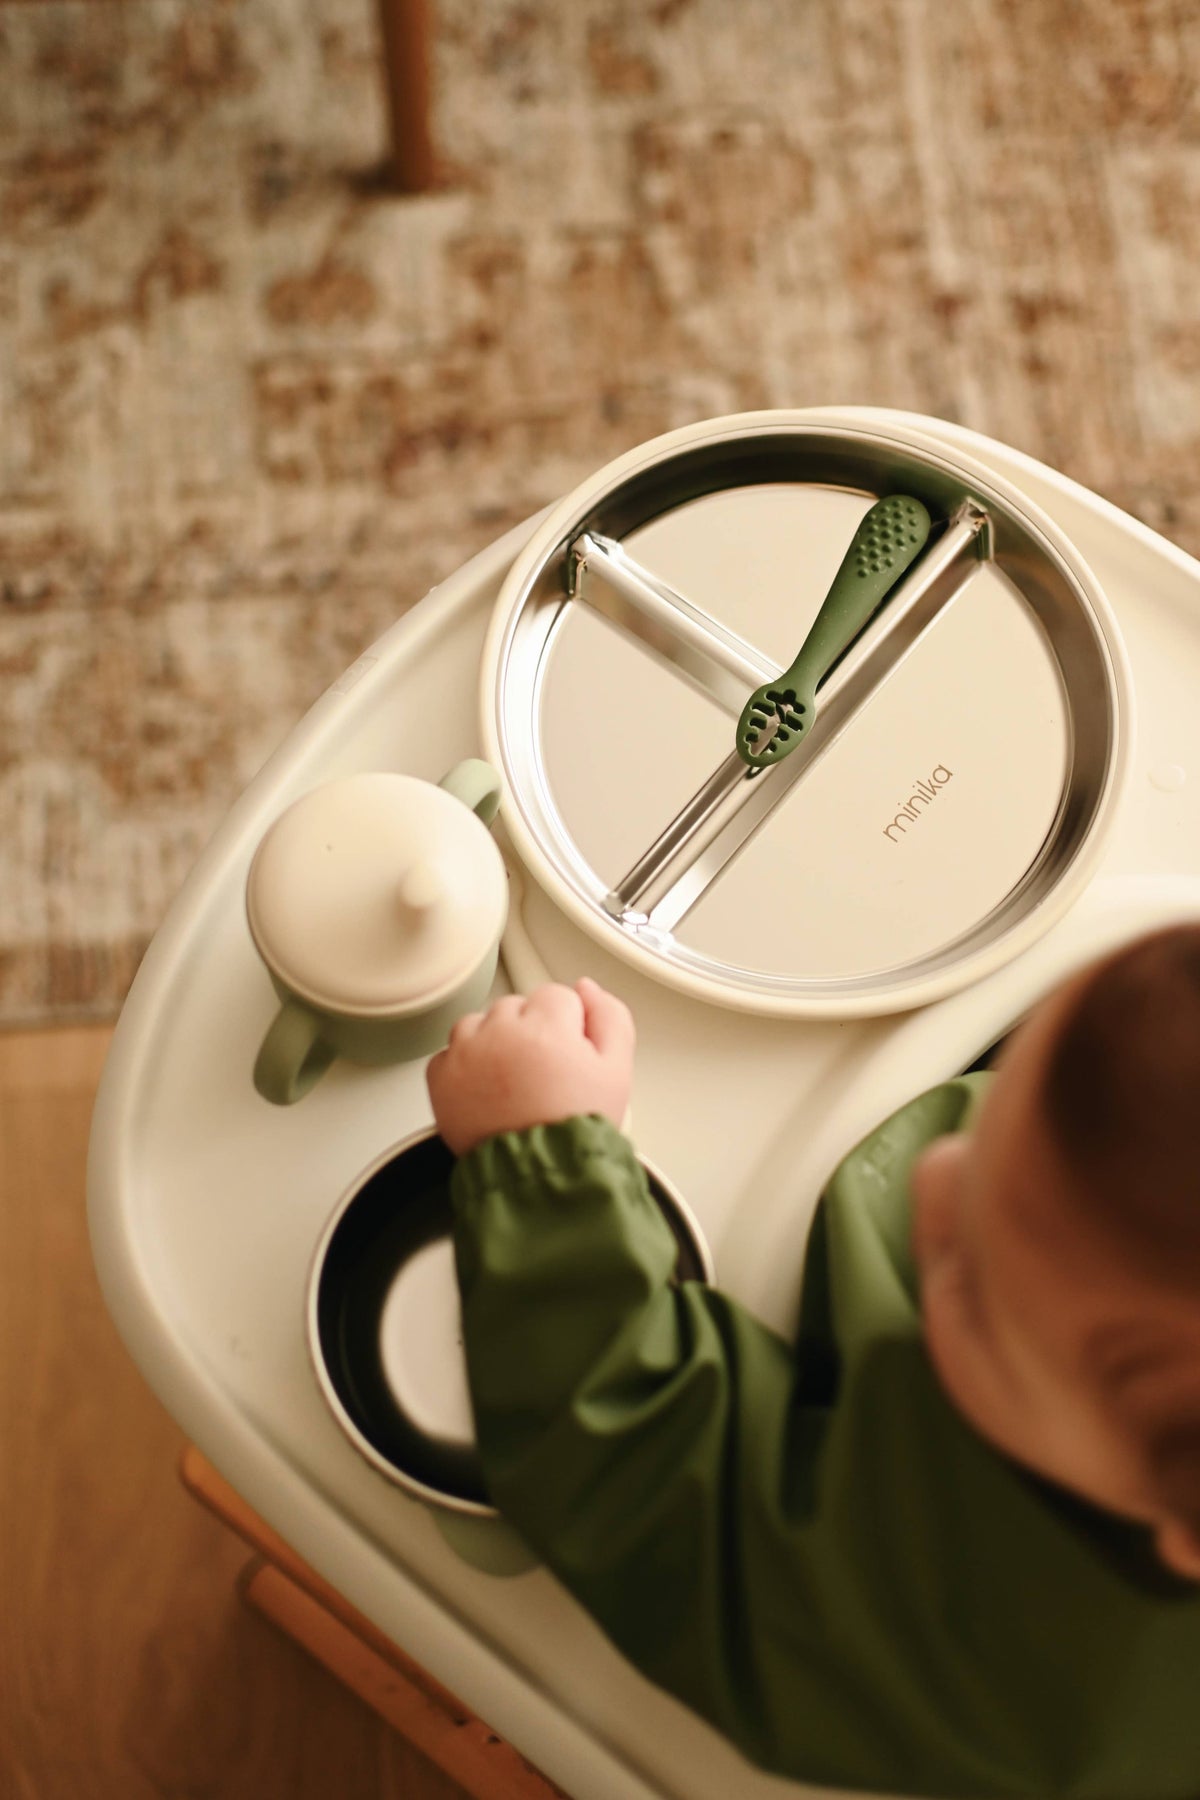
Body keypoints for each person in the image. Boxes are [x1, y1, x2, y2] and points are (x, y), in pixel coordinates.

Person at [425, 927, 1200, 1799]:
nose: (934, 1179)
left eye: (973, 1289)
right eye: (984, 1136)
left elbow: (640, 1484)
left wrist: (540, 1156)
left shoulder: (999, 1666)